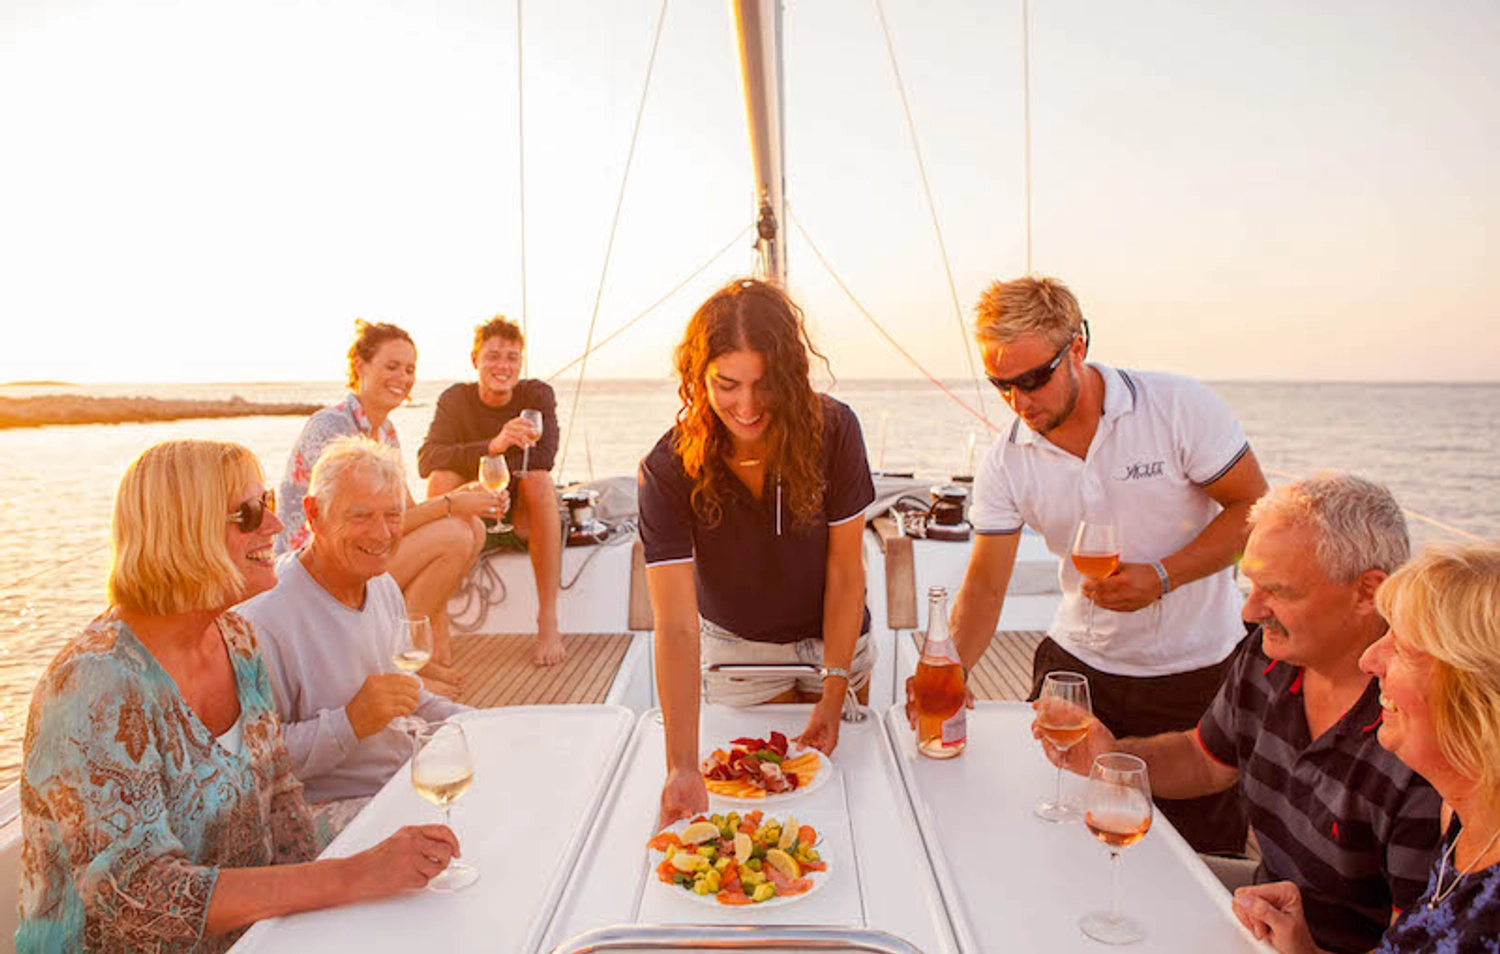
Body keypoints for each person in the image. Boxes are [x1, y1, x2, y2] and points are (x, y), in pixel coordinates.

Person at [15, 440, 461, 954]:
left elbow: (283, 805)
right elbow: (139, 896)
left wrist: (336, 911)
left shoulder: (237, 641)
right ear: (183, 529)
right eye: (248, 513)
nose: (274, 524)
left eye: (267, 503)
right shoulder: (94, 684)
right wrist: (354, 875)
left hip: (254, 936)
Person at [1034, 472, 1442, 954]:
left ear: (1368, 592)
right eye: (1249, 584)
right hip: (1259, 908)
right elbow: (1204, 760)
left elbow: (1417, 942)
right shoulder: (1268, 657)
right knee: (1070, 882)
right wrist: (1111, 757)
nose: (1250, 611)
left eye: (1279, 591)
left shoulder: (1420, 734)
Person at [936, 274, 1268, 853]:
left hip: (1197, 671)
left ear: (1077, 347)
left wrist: (1162, 577)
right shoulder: (1006, 461)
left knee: (1198, 854)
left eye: (1033, 379)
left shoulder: (1175, 407)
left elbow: (1255, 510)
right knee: (1063, 839)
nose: (1019, 402)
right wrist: (950, 669)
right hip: (1079, 668)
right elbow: (985, 588)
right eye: (1001, 385)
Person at [640, 278, 876, 831]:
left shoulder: (835, 430)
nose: (746, 407)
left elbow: (846, 572)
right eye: (726, 385)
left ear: (791, 375)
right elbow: (675, 626)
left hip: (838, 648)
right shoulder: (667, 468)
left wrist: (834, 691)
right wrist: (681, 766)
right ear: (698, 376)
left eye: (764, 385)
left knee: (841, 806)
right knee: (766, 813)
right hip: (738, 657)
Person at [1233, 543, 1500, 954]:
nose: (1369, 660)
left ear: (1479, 696)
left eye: (1404, 648)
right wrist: (1305, 950)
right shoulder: (1462, 817)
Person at [245, 437, 479, 829]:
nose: (381, 534)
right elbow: (257, 762)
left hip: (403, 781)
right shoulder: (264, 619)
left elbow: (406, 694)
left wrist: (480, 724)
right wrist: (350, 723)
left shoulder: (381, 583)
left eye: (393, 515)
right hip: (328, 811)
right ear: (313, 514)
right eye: (360, 516)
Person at [276, 319, 499, 693]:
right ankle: (402, 663)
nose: (403, 377)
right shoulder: (331, 426)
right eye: (392, 366)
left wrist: (464, 499)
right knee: (455, 534)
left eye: (409, 369)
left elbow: (403, 512)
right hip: (319, 565)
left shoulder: (385, 431)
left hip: (358, 550)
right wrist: (451, 502)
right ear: (360, 366)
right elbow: (349, 521)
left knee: (471, 527)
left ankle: (413, 656)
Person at [418, 315, 565, 666]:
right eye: (494, 356)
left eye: (512, 357)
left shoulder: (536, 395)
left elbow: (544, 456)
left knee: (540, 480)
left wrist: (498, 481)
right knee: (440, 479)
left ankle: (547, 621)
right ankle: (437, 624)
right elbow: (428, 459)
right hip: (472, 518)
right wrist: (493, 446)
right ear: (475, 360)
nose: (503, 366)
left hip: (521, 517)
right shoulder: (456, 399)